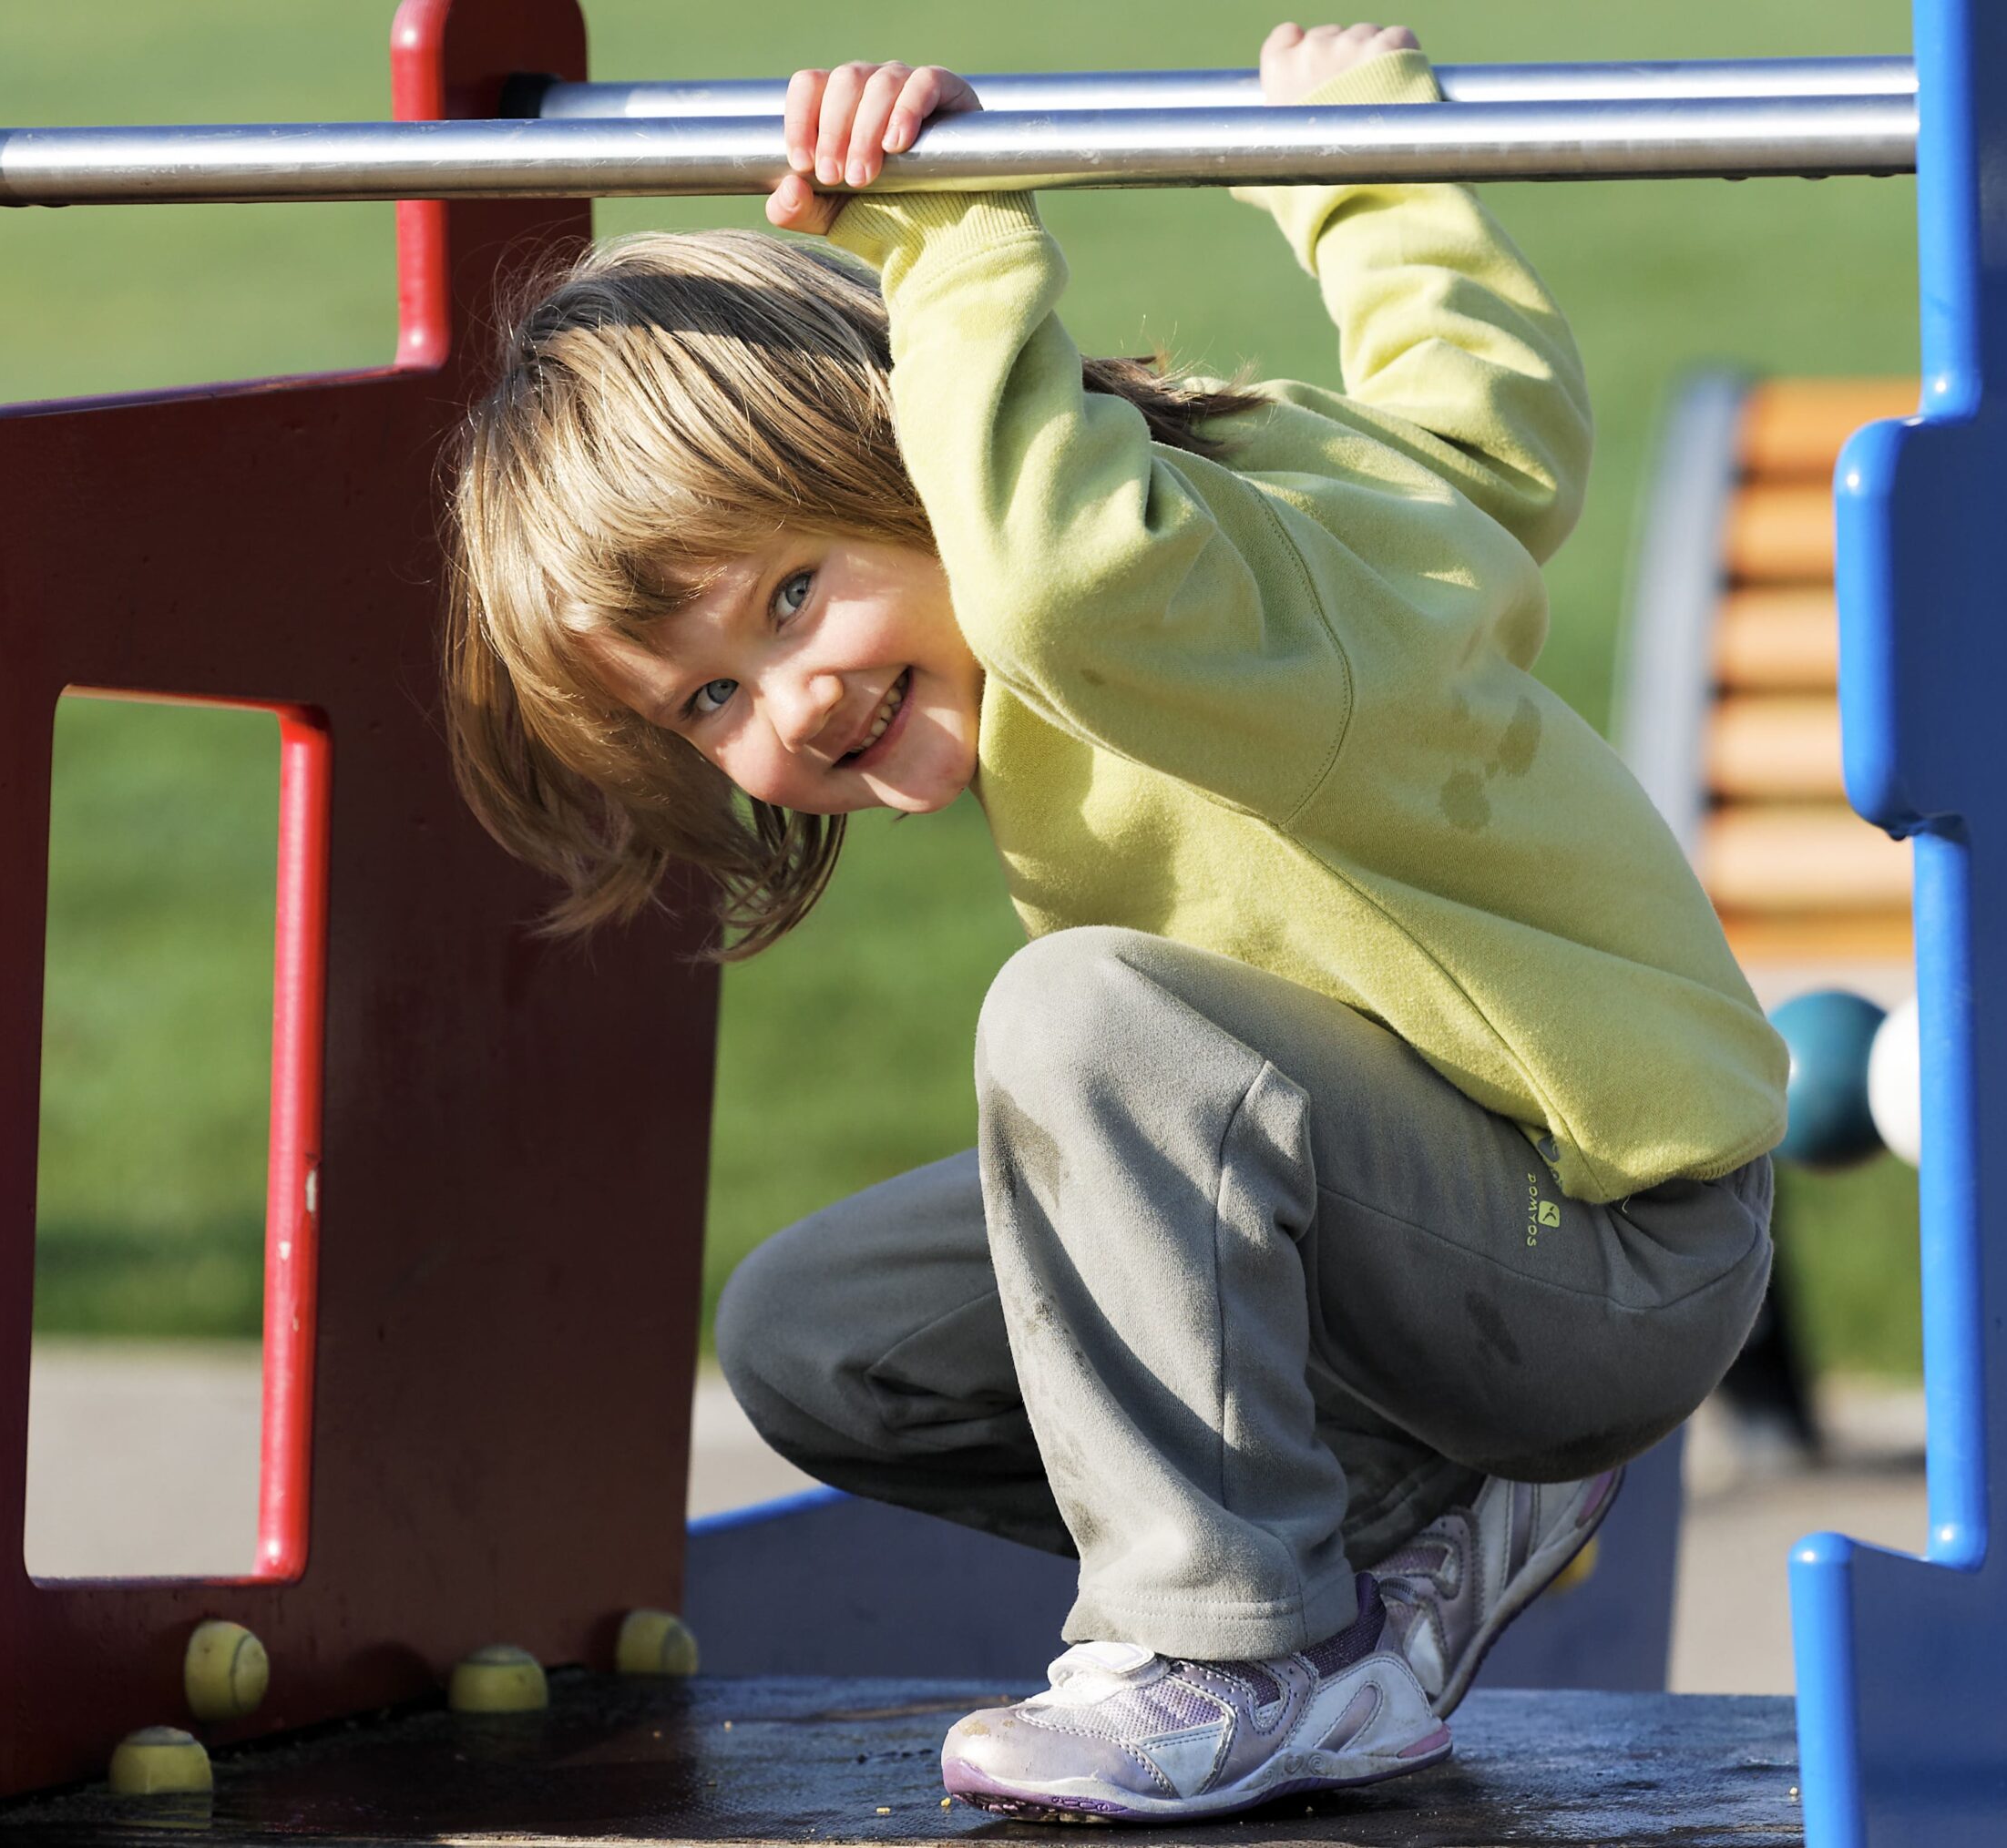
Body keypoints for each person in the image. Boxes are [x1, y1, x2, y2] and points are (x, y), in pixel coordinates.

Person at [445, 20, 1786, 1823]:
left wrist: (953, 236)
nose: (789, 708)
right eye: (705, 704)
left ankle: (1218, 1659)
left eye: (787, 592)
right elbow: (1489, 424)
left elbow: (1060, 577)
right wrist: (1354, 160)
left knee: (1074, 1016)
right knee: (821, 1332)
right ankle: (1406, 1552)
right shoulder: (1259, 522)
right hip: (1443, 1236)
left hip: (1608, 1238)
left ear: (919, 439)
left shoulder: (1150, 619)